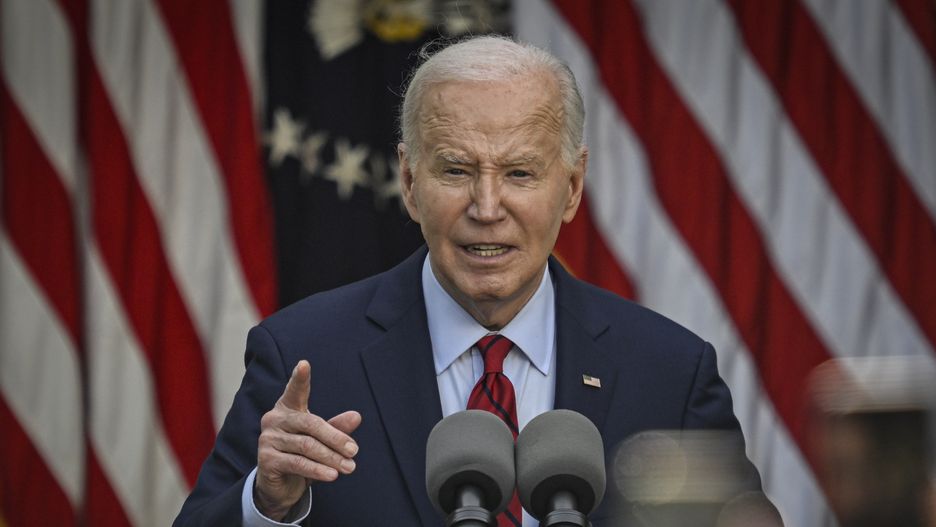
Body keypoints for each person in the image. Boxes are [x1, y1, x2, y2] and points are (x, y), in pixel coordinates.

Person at [174, 35, 765, 526]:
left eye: (520, 172)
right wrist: (268, 504)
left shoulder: (670, 374)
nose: (487, 206)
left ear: (573, 186)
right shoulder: (306, 356)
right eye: (456, 170)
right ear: (409, 182)